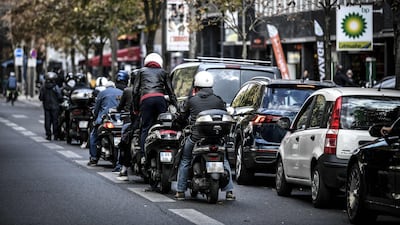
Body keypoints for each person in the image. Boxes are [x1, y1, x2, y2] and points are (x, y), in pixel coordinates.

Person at [174, 71, 235, 201]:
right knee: (224, 160)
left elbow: (182, 117)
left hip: (196, 138)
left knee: (185, 159)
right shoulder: (218, 100)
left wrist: (178, 124)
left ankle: (180, 191)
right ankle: (229, 191)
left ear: (196, 86)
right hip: (217, 139)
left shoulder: (191, 100)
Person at [132, 53, 177, 162]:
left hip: (146, 100)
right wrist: (176, 106)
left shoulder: (141, 72)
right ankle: (163, 148)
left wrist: (136, 108)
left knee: (146, 127)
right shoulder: (163, 72)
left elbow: (135, 91)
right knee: (163, 125)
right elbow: (171, 91)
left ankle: (143, 155)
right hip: (160, 99)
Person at [87, 81, 123, 166]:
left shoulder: (102, 93)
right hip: (120, 120)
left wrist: (95, 118)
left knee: (93, 136)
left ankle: (94, 158)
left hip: (105, 119)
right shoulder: (121, 92)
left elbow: (96, 108)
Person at [39, 72, 63, 141]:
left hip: (46, 107)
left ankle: (48, 135)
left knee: (47, 121)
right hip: (55, 107)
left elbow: (41, 97)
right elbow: (59, 96)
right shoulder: (56, 87)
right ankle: (55, 135)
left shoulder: (43, 87)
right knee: (55, 121)